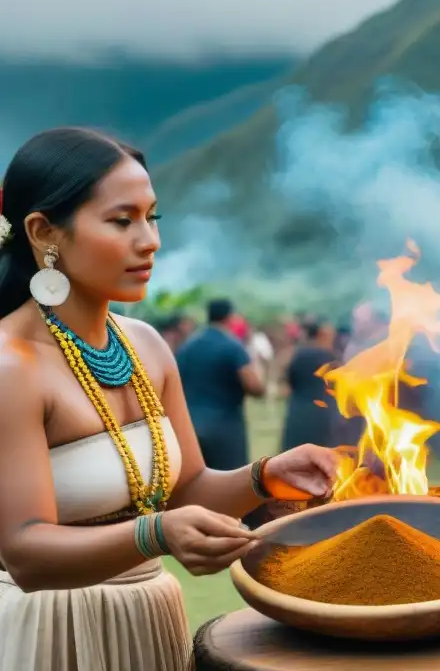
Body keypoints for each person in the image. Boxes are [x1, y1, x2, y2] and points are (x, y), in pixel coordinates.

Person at [0, 127, 339, 670]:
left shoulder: (147, 345)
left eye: (152, 217)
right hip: (52, 632)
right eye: (121, 220)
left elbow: (187, 491)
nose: (150, 239)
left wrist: (265, 476)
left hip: (150, 618)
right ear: (44, 232)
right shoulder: (10, 365)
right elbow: (26, 554)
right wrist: (155, 532)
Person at [176, 298, 266, 471]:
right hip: (225, 429)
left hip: (190, 426)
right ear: (230, 317)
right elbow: (254, 387)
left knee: (195, 482)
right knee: (230, 483)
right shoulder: (233, 347)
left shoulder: (186, 347)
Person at [280, 317, 360, 451]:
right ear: (321, 334)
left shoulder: (295, 355)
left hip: (298, 412)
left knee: (295, 455)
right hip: (324, 413)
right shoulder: (331, 358)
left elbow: (287, 384)